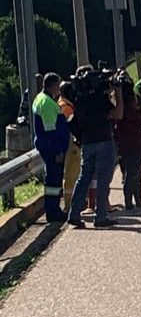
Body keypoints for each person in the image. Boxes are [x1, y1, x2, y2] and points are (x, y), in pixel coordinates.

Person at [67, 66, 124, 228]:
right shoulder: (100, 98)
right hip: (104, 141)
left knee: (84, 178)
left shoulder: (78, 99)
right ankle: (100, 217)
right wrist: (117, 91)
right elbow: (118, 114)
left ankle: (74, 214)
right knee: (103, 180)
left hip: (87, 143)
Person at [31, 73, 69, 223]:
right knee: (54, 180)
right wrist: (58, 151)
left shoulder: (40, 98)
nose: (59, 90)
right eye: (57, 86)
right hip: (52, 148)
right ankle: (53, 211)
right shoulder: (47, 103)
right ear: (52, 86)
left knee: (53, 179)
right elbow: (51, 131)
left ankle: (53, 209)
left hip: (47, 146)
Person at [114, 78, 141, 212]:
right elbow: (139, 116)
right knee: (132, 172)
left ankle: (138, 200)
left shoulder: (123, 100)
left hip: (127, 140)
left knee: (136, 171)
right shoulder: (124, 102)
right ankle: (130, 202)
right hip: (130, 139)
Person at [57, 81, 81, 211]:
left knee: (72, 175)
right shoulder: (66, 107)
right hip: (71, 145)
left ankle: (71, 204)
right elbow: (71, 127)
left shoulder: (62, 104)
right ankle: (69, 205)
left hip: (68, 145)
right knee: (72, 175)